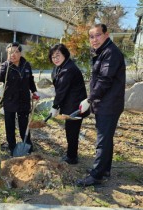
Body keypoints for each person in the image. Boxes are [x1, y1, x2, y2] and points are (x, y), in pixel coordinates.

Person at [76, 23, 126, 186]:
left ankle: (96, 175)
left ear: (107, 34)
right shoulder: (103, 52)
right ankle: (104, 170)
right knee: (106, 138)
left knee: (102, 140)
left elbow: (105, 80)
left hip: (109, 104)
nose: (94, 39)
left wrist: (89, 99)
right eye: (91, 36)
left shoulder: (110, 53)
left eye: (98, 35)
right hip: (106, 102)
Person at [0, 42, 39, 156]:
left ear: (20, 53)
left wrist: (34, 91)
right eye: (10, 52)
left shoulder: (26, 65)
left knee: (24, 124)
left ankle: (27, 144)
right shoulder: (4, 66)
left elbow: (30, 80)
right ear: (7, 54)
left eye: (16, 52)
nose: (13, 54)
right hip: (10, 100)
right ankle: (12, 146)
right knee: (10, 125)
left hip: (24, 100)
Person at [48, 43, 90, 164]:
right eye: (53, 56)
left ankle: (72, 157)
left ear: (65, 54)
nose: (55, 58)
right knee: (70, 130)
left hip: (76, 106)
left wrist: (55, 106)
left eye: (58, 55)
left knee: (72, 132)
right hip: (69, 104)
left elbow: (61, 90)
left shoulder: (69, 69)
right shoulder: (61, 66)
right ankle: (71, 154)